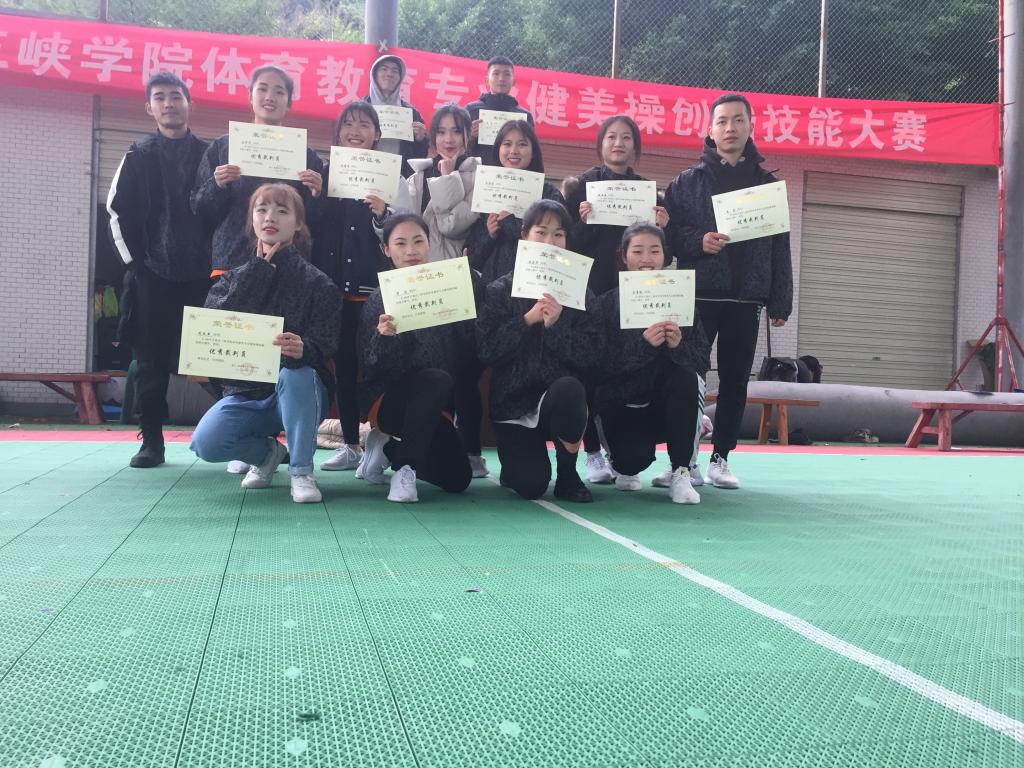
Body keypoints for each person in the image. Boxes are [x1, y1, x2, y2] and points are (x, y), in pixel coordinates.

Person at [664, 93, 793, 489]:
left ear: (751, 126)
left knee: (736, 380)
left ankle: (721, 458)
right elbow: (668, 237)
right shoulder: (686, 183)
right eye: (722, 121)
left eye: (738, 120)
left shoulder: (767, 185)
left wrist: (780, 299)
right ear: (709, 129)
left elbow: (780, 244)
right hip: (699, 295)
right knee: (690, 376)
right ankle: (685, 460)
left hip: (746, 298)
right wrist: (698, 242)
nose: (730, 128)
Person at [190, 184, 342, 503]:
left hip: (299, 392)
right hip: (247, 391)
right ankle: (267, 455)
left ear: (298, 224)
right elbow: (211, 326)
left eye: (282, 211)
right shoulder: (231, 278)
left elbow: (327, 340)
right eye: (262, 209)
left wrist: (305, 348)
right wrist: (258, 271)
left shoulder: (318, 282)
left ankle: (301, 471)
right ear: (252, 220)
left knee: (296, 372)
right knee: (206, 443)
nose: (270, 217)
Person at [106, 72, 211, 468]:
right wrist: (135, 264)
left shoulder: (211, 155)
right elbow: (116, 211)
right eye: (161, 97)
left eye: (176, 96)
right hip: (152, 274)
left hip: (205, 276)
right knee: (149, 362)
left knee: (221, 356)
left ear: (190, 104)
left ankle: (247, 437)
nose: (169, 103)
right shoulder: (138, 155)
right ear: (149, 108)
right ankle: (152, 440)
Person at [563, 114, 669, 484]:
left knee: (626, 366)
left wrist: (664, 226)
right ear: (600, 144)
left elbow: (663, 255)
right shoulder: (582, 187)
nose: (618, 143)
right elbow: (568, 246)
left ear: (635, 147)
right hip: (590, 294)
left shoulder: (648, 193)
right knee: (588, 368)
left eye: (626, 137)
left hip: (634, 299)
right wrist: (583, 222)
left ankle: (620, 444)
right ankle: (592, 453)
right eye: (611, 137)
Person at [477, 200, 600, 503]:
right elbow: (487, 351)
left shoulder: (580, 293)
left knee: (570, 388)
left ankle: (568, 474)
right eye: (541, 232)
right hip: (512, 407)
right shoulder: (500, 290)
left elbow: (593, 355)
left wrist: (556, 327)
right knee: (530, 486)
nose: (550, 242)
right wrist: (526, 320)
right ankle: (514, 464)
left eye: (558, 234)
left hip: (557, 402)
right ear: (524, 236)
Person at [355, 214, 478, 502]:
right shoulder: (379, 298)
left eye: (418, 241)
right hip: (389, 401)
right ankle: (404, 468)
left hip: (434, 404)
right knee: (435, 379)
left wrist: (469, 288)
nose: (411, 250)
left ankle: (387, 449)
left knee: (457, 479)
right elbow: (371, 367)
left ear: (429, 244)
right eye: (400, 243)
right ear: (386, 249)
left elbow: (469, 345)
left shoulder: (446, 288)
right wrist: (385, 337)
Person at [591, 224, 710, 504]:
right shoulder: (606, 304)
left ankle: (681, 471)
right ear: (624, 256)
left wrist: (679, 345)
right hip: (622, 407)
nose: (646, 258)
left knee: (687, 377)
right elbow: (598, 363)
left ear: (665, 256)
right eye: (638, 251)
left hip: (664, 407)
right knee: (630, 463)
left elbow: (701, 359)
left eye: (654, 251)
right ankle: (618, 461)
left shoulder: (681, 301)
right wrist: (642, 345)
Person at [312, 102, 393, 472]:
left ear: (377, 134)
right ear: (338, 131)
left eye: (364, 124)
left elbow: (402, 232)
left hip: (373, 291)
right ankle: (349, 444)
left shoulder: (389, 174)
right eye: (349, 124)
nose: (356, 131)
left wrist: (382, 214)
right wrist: (315, 195)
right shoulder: (326, 172)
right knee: (343, 367)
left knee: (379, 365)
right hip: (334, 291)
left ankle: (381, 437)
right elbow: (310, 225)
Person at [191, 65, 324, 276]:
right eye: (262, 89)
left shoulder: (305, 156)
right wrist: (217, 186)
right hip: (232, 261)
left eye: (279, 92)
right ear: (250, 96)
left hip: (286, 264)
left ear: (289, 102)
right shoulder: (224, 148)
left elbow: (313, 221)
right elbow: (200, 209)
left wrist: (316, 195)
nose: (269, 97)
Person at [463, 120, 565, 284]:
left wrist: (510, 224)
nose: (513, 151)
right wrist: (489, 234)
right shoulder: (487, 189)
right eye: (507, 144)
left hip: (533, 282)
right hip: (491, 287)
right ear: (498, 149)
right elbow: (472, 258)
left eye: (522, 144)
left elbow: (556, 246)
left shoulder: (548, 193)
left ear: (533, 151)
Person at [405, 104, 479, 262]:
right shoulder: (418, 177)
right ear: (433, 136)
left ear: (468, 135)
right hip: (420, 268)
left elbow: (451, 227)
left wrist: (448, 177)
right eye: (441, 132)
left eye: (457, 131)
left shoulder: (479, 178)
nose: (449, 139)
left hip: (457, 270)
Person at [362, 54, 428, 176]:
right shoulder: (359, 110)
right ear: (374, 74)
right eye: (384, 69)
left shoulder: (411, 114)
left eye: (395, 71)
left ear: (400, 78)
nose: (389, 74)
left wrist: (421, 140)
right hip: (364, 173)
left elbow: (420, 157)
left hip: (399, 178)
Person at [465, 56, 534, 166]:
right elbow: (459, 150)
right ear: (487, 80)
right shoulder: (471, 110)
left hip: (511, 173)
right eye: (496, 74)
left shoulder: (524, 116)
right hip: (477, 172)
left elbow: (531, 152)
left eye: (507, 74)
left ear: (513, 81)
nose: (501, 78)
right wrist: (469, 136)